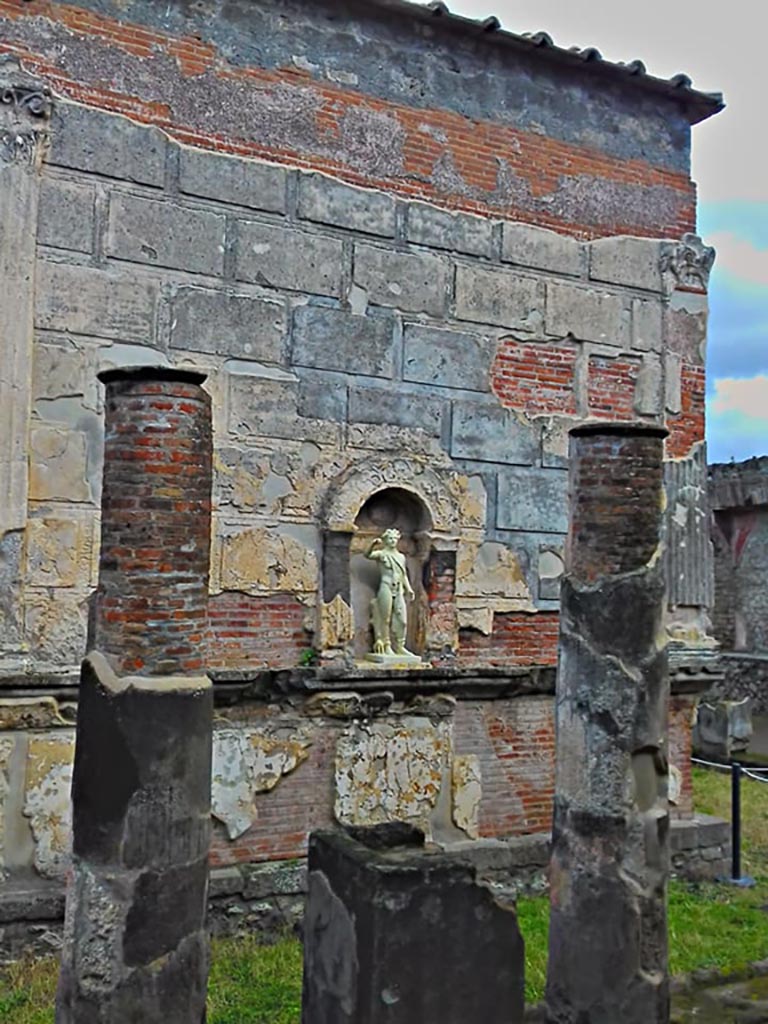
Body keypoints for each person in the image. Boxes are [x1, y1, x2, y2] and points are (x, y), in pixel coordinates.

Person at [365, 528, 415, 656]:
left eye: (394, 539)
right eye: (390, 539)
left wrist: (408, 588)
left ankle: (400, 646)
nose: (392, 541)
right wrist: (373, 545)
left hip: (398, 589)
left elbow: (403, 575)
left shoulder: (401, 557)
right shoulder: (381, 554)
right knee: (385, 618)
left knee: (402, 620)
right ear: (386, 540)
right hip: (386, 586)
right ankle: (386, 644)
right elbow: (367, 555)